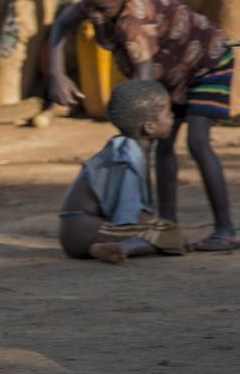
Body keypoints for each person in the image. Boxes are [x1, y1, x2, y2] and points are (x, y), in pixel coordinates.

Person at [48, 0, 240, 252]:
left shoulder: (135, 22)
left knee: (197, 141)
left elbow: (143, 87)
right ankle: (167, 226)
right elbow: (61, 24)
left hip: (207, 63)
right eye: (90, 7)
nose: (94, 16)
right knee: (163, 146)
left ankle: (225, 229)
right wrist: (56, 74)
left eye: (102, 9)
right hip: (169, 74)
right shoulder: (99, 0)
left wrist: (138, 132)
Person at [60, 79, 185, 263]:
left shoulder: (121, 147)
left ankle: (104, 248)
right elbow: (128, 212)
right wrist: (145, 218)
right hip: (88, 233)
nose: (172, 117)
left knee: (163, 231)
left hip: (75, 234)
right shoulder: (128, 154)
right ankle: (122, 248)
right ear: (149, 126)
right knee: (170, 234)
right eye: (167, 113)